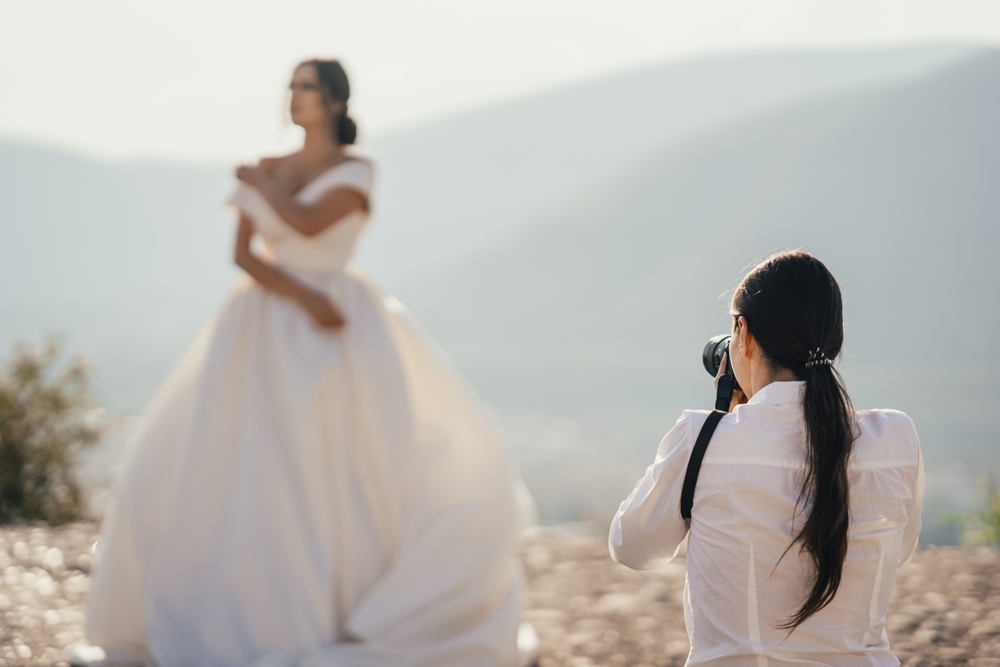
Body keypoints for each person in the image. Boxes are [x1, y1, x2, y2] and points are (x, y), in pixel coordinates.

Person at [69, 59, 536, 667]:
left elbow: (312, 223)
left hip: (340, 321)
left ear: (336, 101)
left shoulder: (354, 169)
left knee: (347, 459)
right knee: (239, 459)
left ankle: (348, 602)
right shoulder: (268, 168)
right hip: (265, 320)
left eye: (308, 88)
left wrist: (264, 195)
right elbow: (243, 254)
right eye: (292, 87)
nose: (295, 97)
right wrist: (298, 294)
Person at [609, 250, 924, 666]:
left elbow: (632, 547)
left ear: (743, 334)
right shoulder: (895, 439)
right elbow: (896, 550)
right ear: (834, 338)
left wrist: (723, 421)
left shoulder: (701, 441)